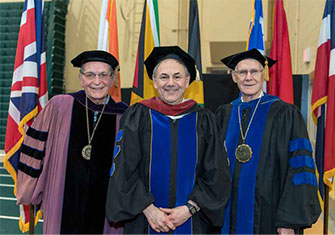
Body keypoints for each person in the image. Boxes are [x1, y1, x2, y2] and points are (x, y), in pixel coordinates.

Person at [106, 46, 231, 233]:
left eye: (177, 76)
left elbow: (217, 172)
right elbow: (124, 169)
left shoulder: (204, 120)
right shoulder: (138, 116)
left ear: (188, 81)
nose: (170, 83)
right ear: (154, 82)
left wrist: (189, 209)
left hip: (192, 221)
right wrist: (149, 210)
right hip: (145, 220)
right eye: (164, 77)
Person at [16, 50, 128, 234]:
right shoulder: (60, 106)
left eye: (104, 75)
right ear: (81, 78)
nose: (97, 81)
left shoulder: (124, 114)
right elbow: (35, 149)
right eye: (90, 75)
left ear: (113, 78)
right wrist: (31, 189)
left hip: (108, 207)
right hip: (61, 198)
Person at [217, 48, 321, 234]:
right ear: (234, 77)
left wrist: (289, 220)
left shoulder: (285, 114)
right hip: (227, 214)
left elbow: (299, 167)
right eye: (242, 72)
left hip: (270, 215)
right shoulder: (224, 114)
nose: (249, 77)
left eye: (254, 71)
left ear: (264, 75)